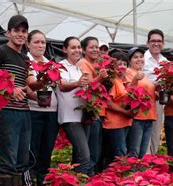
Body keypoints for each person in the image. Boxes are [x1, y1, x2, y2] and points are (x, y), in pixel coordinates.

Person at [0, 15, 32, 186]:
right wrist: (10, 89)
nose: (20, 34)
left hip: (24, 111)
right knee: (9, 157)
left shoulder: (25, 58)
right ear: (8, 33)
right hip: (7, 111)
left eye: (24, 31)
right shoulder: (0, 52)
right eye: (16, 30)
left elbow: (27, 86)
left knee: (23, 157)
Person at [25, 30, 58, 186]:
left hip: (51, 111)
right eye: (36, 42)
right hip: (33, 110)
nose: (40, 45)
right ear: (28, 44)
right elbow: (27, 86)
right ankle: (31, 181)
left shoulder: (49, 63)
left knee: (47, 147)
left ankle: (43, 180)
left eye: (43, 42)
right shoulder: (26, 61)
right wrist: (35, 98)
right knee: (33, 147)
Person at [56, 36, 91, 175]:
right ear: (65, 49)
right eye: (73, 47)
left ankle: (72, 185)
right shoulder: (61, 66)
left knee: (78, 156)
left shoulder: (79, 69)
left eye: (78, 47)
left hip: (82, 117)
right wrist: (77, 83)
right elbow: (62, 86)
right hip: (70, 117)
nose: (77, 50)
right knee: (84, 156)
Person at [77, 36, 107, 174]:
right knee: (91, 152)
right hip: (91, 112)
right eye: (91, 47)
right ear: (84, 50)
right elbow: (88, 87)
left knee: (96, 151)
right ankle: (87, 179)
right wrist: (100, 78)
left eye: (97, 47)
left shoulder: (97, 64)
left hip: (98, 111)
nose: (95, 50)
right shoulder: (83, 63)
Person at [125, 47, 157, 158]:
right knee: (134, 151)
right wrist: (135, 79)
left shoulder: (143, 75)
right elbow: (127, 92)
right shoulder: (128, 72)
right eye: (135, 57)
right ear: (129, 61)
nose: (139, 59)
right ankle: (131, 174)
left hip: (149, 116)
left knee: (142, 153)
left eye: (141, 57)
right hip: (137, 117)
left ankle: (141, 175)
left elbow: (150, 95)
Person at [103, 52, 134, 159]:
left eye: (125, 64)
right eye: (119, 64)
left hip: (125, 122)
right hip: (114, 124)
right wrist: (125, 112)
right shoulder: (112, 80)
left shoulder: (123, 81)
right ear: (113, 66)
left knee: (115, 154)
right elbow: (107, 103)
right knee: (120, 153)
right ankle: (123, 175)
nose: (122, 67)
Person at [142, 29, 168, 155]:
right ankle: (144, 162)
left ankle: (153, 161)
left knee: (156, 132)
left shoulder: (165, 62)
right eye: (153, 41)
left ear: (163, 44)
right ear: (147, 43)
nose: (156, 44)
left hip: (159, 101)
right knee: (144, 131)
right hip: (144, 101)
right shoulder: (142, 59)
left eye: (159, 41)